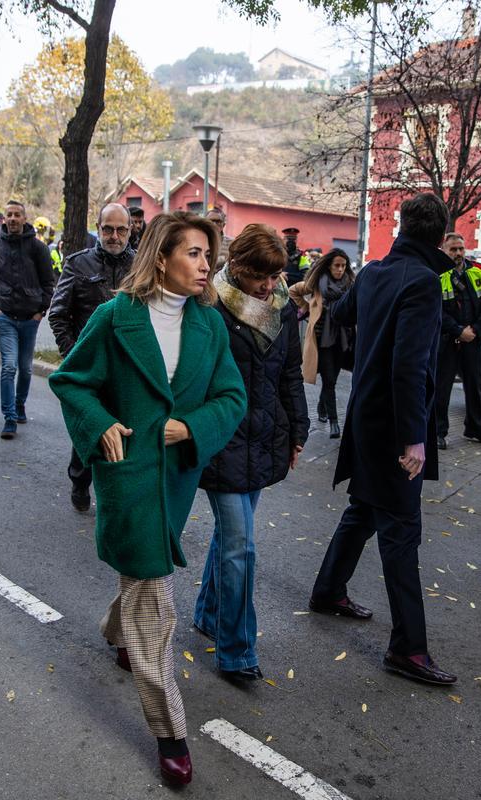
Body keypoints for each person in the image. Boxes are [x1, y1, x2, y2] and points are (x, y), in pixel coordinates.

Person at [49, 212, 245, 785]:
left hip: (175, 480)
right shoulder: (116, 317)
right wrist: (99, 423)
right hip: (127, 474)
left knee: (140, 576)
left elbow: (232, 398)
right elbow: (71, 381)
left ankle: (119, 634)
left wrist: (191, 428)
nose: (206, 264)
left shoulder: (210, 327)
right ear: (160, 257)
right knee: (154, 599)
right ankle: (170, 733)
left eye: (209, 255)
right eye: (193, 253)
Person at [309, 193, 457, 686]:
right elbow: (410, 366)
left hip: (364, 417)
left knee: (364, 510)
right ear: (439, 235)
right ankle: (408, 649)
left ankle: (328, 590)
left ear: (402, 226)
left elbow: (343, 313)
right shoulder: (423, 282)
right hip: (395, 425)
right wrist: (415, 438)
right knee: (400, 531)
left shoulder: (373, 272)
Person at [195, 224, 309, 683]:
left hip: (263, 442)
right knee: (241, 545)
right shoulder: (210, 308)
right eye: (260, 276)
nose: (269, 285)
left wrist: (297, 431)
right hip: (222, 441)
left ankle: (207, 612)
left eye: (275, 274)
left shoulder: (282, 308)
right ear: (237, 268)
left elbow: (290, 375)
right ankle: (237, 650)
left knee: (231, 540)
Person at [49, 203, 135, 511]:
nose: (114, 236)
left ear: (130, 230)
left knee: (127, 428)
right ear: (98, 229)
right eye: (108, 229)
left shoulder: (141, 266)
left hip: (128, 368)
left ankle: (117, 489)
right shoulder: (78, 264)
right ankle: (80, 481)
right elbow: (58, 314)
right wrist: (74, 356)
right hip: (89, 367)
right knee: (89, 426)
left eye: (121, 229)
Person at [0, 199, 56, 440]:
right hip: (4, 317)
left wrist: (40, 312)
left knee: (25, 369)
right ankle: (9, 417)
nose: (13, 219)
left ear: (24, 219)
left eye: (17, 215)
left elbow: (48, 283)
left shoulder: (38, 248)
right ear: (4, 219)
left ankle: (20, 403)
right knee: (9, 366)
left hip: (30, 318)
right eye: (9, 215)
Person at [435, 232, 481, 448]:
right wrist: (458, 331)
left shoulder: (477, 271)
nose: (458, 253)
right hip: (447, 341)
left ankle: (475, 428)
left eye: (461, 248)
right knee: (442, 388)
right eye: (453, 249)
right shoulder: (437, 273)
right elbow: (436, 310)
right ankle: (438, 432)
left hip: (472, 339)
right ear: (444, 250)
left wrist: (474, 329)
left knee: (474, 387)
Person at [289, 248, 354, 438]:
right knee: (330, 381)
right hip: (322, 340)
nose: (340, 269)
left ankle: (321, 405)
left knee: (332, 378)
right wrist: (307, 307)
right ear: (329, 266)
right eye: (337, 265)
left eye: (343, 266)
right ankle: (334, 422)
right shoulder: (318, 283)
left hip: (343, 339)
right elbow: (294, 291)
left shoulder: (351, 285)